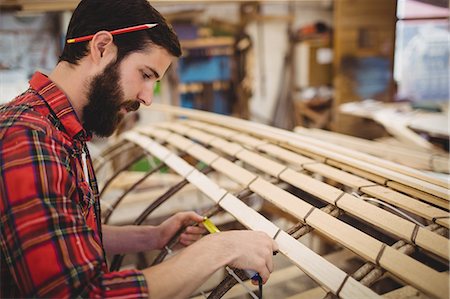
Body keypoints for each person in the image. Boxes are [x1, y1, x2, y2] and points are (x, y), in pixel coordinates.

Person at [0, 0, 278, 298]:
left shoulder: (61, 129)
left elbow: (68, 236)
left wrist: (154, 236)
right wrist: (220, 250)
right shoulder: (29, 137)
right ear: (102, 47)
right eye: (145, 75)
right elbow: (81, 293)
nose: (147, 98)